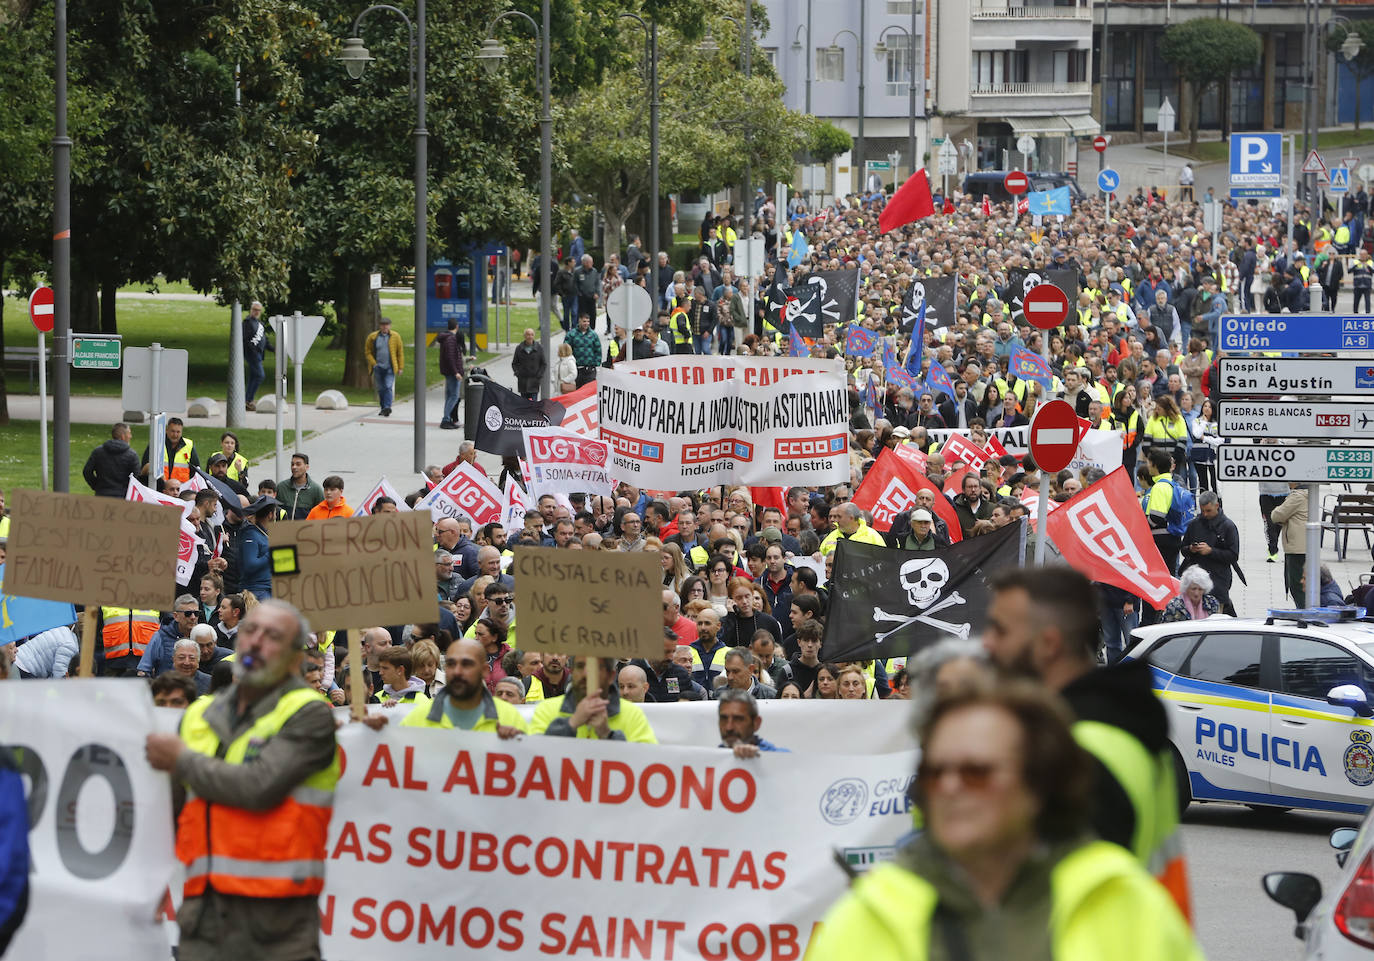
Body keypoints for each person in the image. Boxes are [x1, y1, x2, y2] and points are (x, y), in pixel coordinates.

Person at [808, 682, 1201, 961]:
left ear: (1037, 783)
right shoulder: (867, 916)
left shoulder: (1126, 908)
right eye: (934, 771)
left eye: (975, 771)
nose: (948, 787)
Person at [983, 567, 1191, 919]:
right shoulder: (1114, 730)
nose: (987, 642)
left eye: (1000, 630)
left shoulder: (1076, 753)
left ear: (1048, 644)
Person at [144, 599, 339, 961]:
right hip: (202, 916)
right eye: (250, 631)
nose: (256, 642)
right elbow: (168, 811)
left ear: (296, 658)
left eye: (273, 636)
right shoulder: (199, 713)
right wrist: (151, 882)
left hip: (278, 922)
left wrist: (182, 759)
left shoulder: (308, 713)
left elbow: (258, 787)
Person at [529, 656, 657, 742]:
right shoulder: (546, 710)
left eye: (596, 667)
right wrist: (571, 724)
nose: (586, 673)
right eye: (580, 666)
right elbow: (532, 759)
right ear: (572, 672)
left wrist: (607, 734)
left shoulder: (633, 715)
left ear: (611, 675)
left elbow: (646, 765)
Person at [1179, 490, 1240, 615]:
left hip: (1218, 580)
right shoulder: (1194, 524)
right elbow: (1183, 549)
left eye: (1208, 511)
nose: (1205, 514)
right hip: (1196, 581)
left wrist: (1211, 551)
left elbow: (1233, 555)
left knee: (1215, 619)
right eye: (1203, 511)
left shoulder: (1228, 526)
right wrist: (1191, 549)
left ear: (1216, 506)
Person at [717, 688, 786, 758]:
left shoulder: (784, 759)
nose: (729, 727)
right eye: (724, 719)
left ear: (756, 723)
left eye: (738, 719)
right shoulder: (711, 760)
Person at [1271, 482, 1309, 607]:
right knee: (1302, 584)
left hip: (1296, 548)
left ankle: (1304, 613)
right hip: (1304, 546)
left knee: (1297, 585)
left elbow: (1276, 515)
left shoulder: (1297, 496)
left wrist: (1286, 517)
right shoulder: (1308, 494)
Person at [83, 422, 140, 496]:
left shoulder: (98, 452)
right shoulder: (132, 455)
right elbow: (136, 477)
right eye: (129, 433)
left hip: (102, 494)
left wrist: (96, 486)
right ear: (123, 436)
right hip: (123, 496)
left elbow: (87, 471)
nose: (130, 436)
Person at [141, 416, 199, 485]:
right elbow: (145, 466)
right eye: (173, 431)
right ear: (167, 430)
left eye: (178, 432)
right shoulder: (156, 443)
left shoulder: (189, 445)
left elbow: (196, 471)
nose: (175, 435)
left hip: (180, 489)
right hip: (160, 488)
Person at [364, 316, 403, 416]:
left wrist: (400, 367)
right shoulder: (373, 337)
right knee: (381, 389)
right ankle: (383, 408)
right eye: (383, 325)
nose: (385, 327)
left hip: (390, 367)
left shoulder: (395, 336)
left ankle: (387, 407)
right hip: (378, 367)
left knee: (388, 386)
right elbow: (368, 352)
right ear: (380, 326)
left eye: (387, 325)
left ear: (390, 326)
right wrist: (374, 363)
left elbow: (400, 352)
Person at [12, 623, 79, 678]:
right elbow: (59, 677)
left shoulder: (64, 630)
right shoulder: (71, 646)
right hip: (25, 668)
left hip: (19, 659)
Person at [435, 318, 466, 429]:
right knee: (454, 396)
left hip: (449, 371)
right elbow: (451, 358)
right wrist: (456, 372)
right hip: (453, 372)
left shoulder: (446, 338)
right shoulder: (451, 339)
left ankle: (448, 418)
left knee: (450, 396)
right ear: (456, 327)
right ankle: (446, 419)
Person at [242, 300, 272, 410]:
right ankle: (248, 400)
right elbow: (245, 340)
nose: (256, 312)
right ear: (251, 310)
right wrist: (253, 351)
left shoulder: (260, 324)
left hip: (259, 354)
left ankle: (247, 400)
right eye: (255, 310)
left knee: (254, 377)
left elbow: (265, 340)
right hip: (251, 354)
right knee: (260, 375)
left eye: (259, 310)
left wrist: (274, 349)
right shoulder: (247, 323)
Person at [277, 453, 324, 521]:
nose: (294, 467)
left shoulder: (316, 490)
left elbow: (321, 515)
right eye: (292, 464)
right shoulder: (281, 487)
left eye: (298, 464)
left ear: (306, 467)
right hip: (284, 530)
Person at [511, 328, 547, 400]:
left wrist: (539, 375)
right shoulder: (519, 348)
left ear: (534, 336)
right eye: (528, 335)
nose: (530, 336)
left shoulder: (539, 348)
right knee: (524, 403)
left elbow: (543, 363)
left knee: (533, 404)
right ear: (524, 336)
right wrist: (518, 373)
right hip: (523, 381)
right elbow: (514, 363)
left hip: (534, 382)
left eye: (532, 335)